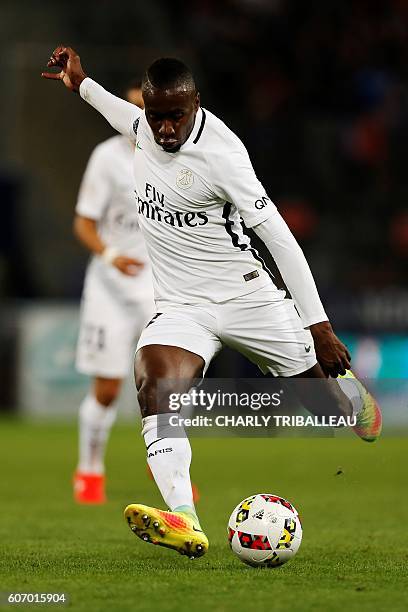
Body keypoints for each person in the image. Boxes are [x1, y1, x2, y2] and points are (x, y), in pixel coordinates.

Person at [42, 46, 382, 559]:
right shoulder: (145, 129)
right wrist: (82, 84)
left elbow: (281, 240)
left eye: (175, 116)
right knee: (155, 381)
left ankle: (346, 400)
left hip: (247, 296)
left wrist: (319, 326)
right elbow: (124, 115)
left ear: (196, 104)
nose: (163, 129)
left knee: (321, 405)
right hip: (182, 306)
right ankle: (185, 518)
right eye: (155, 117)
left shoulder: (223, 155)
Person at [73, 81, 154, 503]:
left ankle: (168, 472)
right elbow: (84, 223)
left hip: (158, 289)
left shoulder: (173, 155)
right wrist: (110, 257)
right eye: (135, 105)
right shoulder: (106, 157)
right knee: (107, 388)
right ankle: (89, 471)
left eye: (149, 105)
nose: (141, 114)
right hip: (109, 287)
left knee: (169, 387)